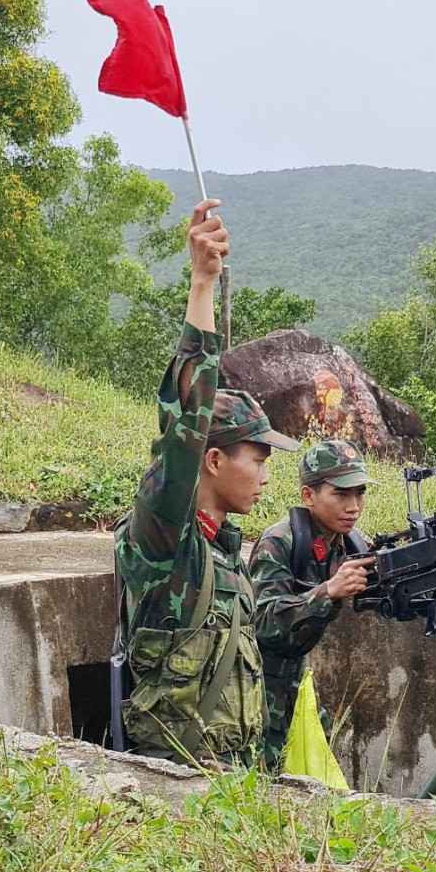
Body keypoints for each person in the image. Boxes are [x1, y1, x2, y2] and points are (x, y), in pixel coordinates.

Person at [114, 197, 300, 768]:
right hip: (172, 799)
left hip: (233, 793)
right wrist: (202, 284)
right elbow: (181, 427)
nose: (268, 477)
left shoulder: (226, 554)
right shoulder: (167, 545)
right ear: (213, 460)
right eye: (258, 458)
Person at [247, 439, 379, 769]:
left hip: (299, 683)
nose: (354, 506)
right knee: (262, 780)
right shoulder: (279, 543)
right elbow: (262, 622)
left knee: (320, 774)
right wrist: (328, 591)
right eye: (341, 494)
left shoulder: (349, 543)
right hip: (258, 686)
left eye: (360, 493)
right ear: (308, 496)